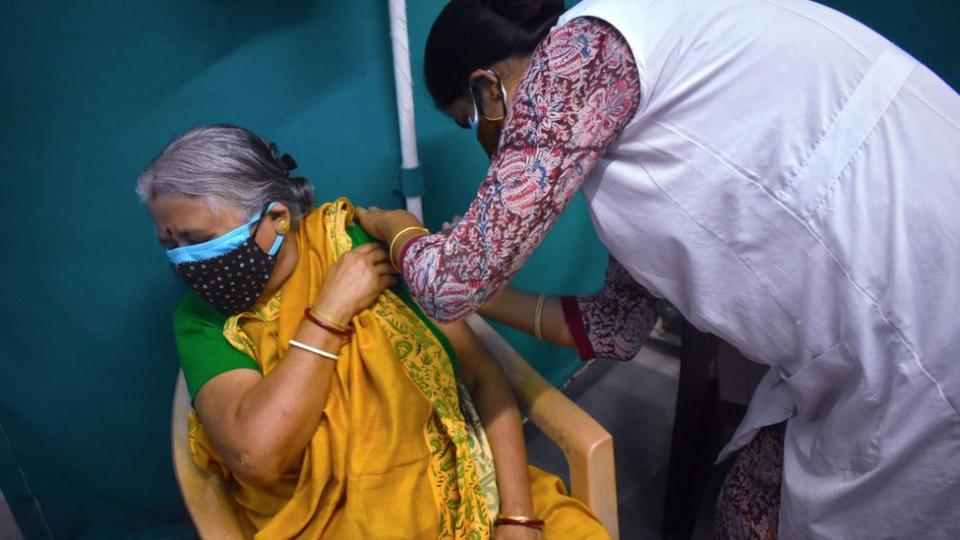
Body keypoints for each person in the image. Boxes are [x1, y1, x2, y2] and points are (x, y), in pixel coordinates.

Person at [357, 0, 960, 537]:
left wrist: (393, 228)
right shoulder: (634, 105)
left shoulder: (585, 50)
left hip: (919, 310)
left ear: (490, 88)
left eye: (470, 119)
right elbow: (616, 328)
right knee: (748, 500)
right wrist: (479, 295)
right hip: (877, 293)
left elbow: (449, 283)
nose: (483, 137)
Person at [136, 124, 609, 539]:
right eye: (168, 244)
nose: (183, 259)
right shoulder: (202, 319)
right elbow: (257, 455)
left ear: (277, 217)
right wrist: (328, 313)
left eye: (196, 240)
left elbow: (483, 376)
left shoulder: (354, 245)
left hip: (470, 492)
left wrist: (518, 519)